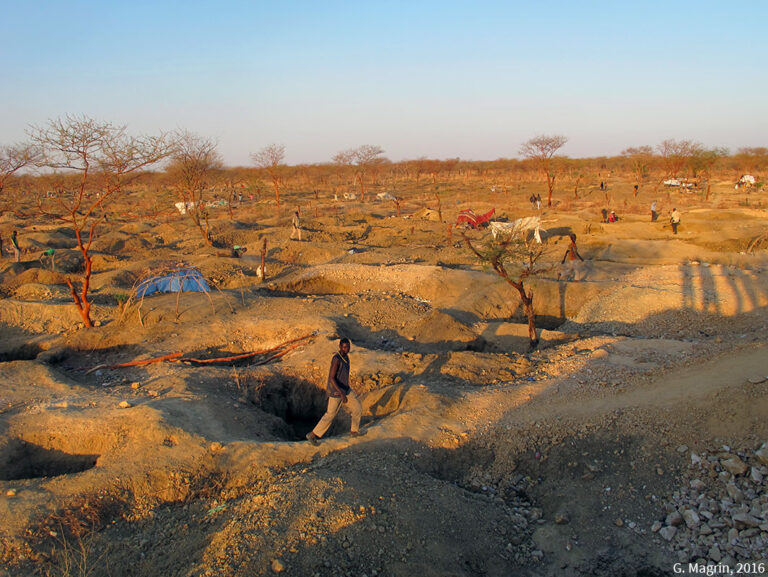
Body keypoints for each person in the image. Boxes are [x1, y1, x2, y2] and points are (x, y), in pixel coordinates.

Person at [306, 338, 362, 444]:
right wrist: (341, 394)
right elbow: (332, 378)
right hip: (336, 392)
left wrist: (345, 391)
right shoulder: (337, 359)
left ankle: (354, 432)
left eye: (348, 346)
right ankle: (312, 435)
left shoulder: (346, 357)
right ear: (340, 347)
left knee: (357, 408)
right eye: (345, 347)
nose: (347, 349)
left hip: (346, 389)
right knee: (330, 415)